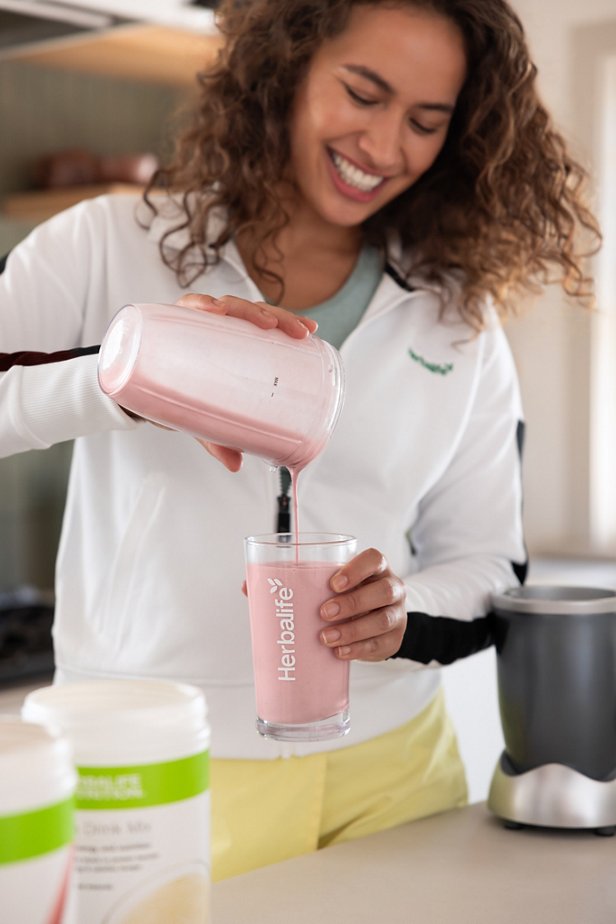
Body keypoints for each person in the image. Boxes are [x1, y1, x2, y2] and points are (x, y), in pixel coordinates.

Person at [0, 0, 601, 880]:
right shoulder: (108, 247)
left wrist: (401, 614)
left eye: (426, 122)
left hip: (397, 770)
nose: (386, 147)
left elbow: (488, 563)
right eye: (363, 92)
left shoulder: (455, 318)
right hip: (160, 763)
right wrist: (126, 370)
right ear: (287, 69)